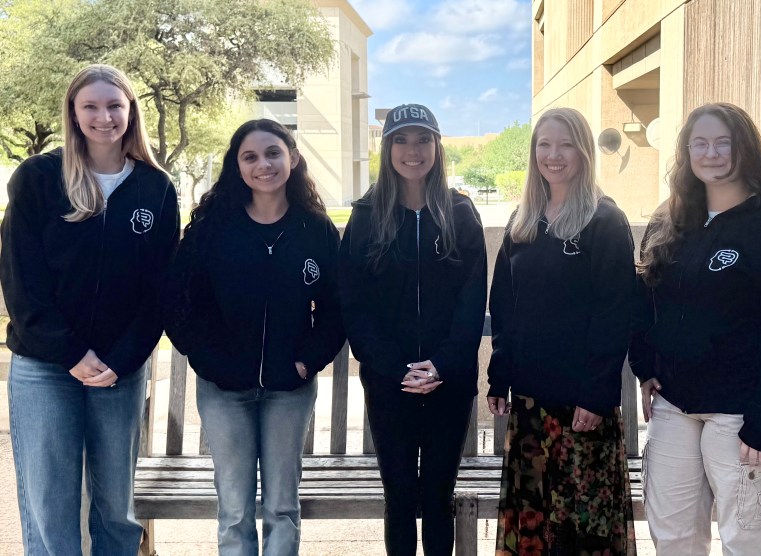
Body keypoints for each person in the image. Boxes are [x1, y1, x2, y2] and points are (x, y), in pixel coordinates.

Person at [0, 64, 179, 555]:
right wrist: (71, 352)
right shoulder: (39, 178)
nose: (104, 117)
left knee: (116, 509)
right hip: (46, 366)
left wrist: (122, 359)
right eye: (91, 106)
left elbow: (160, 291)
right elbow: (22, 280)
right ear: (74, 113)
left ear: (131, 111)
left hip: (119, 370)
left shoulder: (155, 188)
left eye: (114, 105)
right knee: (52, 507)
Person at [629, 102, 761, 555]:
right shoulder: (670, 221)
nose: (711, 154)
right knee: (674, 539)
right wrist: (645, 365)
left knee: (744, 541)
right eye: (700, 144)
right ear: (686, 153)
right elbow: (645, 300)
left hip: (741, 413)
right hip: (673, 406)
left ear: (745, 149)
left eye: (722, 143)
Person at [162, 119, 344, 555]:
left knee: (282, 507)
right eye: (251, 157)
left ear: (292, 158)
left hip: (289, 391)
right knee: (235, 511)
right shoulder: (212, 229)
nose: (264, 164)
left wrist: (307, 360)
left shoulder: (315, 230)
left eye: (273, 153)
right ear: (237, 166)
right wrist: (210, 361)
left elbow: (338, 309)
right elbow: (178, 302)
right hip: (224, 391)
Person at [487, 107, 636, 556]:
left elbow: (615, 313)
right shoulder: (523, 221)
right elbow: (505, 307)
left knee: (580, 529)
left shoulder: (604, 221)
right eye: (545, 145)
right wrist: (499, 376)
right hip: (530, 405)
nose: (554, 155)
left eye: (566, 144)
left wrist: (596, 393)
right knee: (533, 525)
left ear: (584, 151)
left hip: (581, 408)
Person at [339, 103, 486, 556]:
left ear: (437, 147)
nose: (413, 150)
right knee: (400, 498)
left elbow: (471, 302)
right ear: (387, 149)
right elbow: (355, 305)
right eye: (401, 140)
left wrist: (441, 364)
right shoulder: (367, 216)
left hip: (448, 383)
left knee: (439, 498)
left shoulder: (460, 213)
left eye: (423, 139)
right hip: (390, 384)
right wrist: (395, 367)